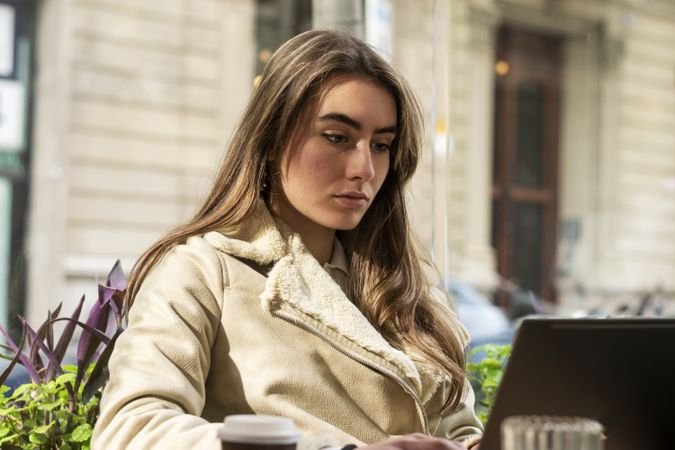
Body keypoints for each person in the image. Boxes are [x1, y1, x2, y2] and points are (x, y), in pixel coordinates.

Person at [91, 29, 483, 450]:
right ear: (273, 139)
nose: (364, 168)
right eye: (338, 137)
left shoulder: (407, 288)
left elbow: (462, 432)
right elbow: (131, 431)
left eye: (382, 145)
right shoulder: (202, 272)